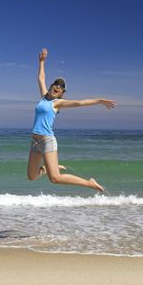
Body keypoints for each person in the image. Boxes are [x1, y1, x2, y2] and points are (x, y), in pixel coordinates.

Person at [27, 48, 116, 192]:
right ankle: (47, 168)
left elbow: (80, 102)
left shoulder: (57, 103)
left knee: (55, 179)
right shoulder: (44, 97)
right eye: (56, 83)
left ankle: (89, 183)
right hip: (35, 142)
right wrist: (42, 61)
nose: (57, 86)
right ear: (50, 87)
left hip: (47, 141)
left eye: (61, 87)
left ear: (61, 93)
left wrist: (99, 100)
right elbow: (41, 78)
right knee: (32, 176)